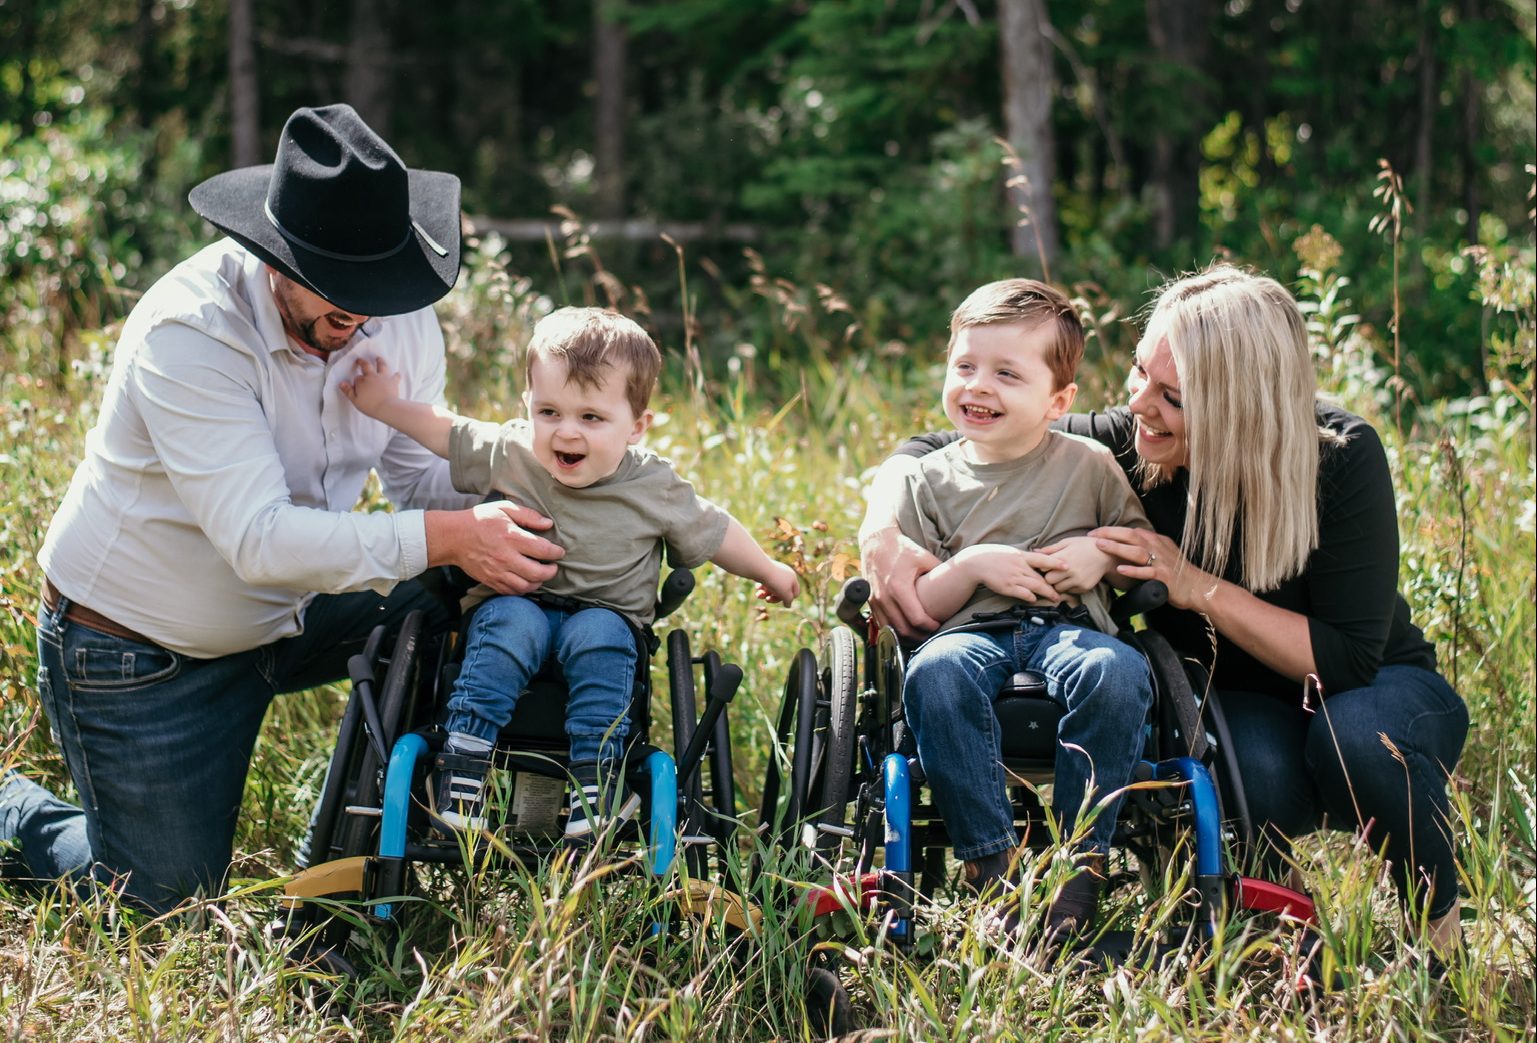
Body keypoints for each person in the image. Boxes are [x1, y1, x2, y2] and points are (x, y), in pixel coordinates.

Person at [0, 104, 566, 914]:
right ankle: (12, 809)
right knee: (162, 904)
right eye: (339, 295)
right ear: (275, 256)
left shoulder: (391, 307)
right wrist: (450, 536)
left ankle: (407, 822)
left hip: (295, 611)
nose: (363, 317)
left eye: (375, 291)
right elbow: (258, 540)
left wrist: (548, 500)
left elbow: (419, 481)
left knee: (480, 579)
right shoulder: (190, 330)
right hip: (142, 649)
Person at [862, 265, 1468, 961]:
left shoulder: (1338, 455)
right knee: (1235, 764)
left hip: (1370, 687)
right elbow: (949, 446)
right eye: (1136, 374)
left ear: (1233, 408)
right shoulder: (1131, 439)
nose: (1138, 405)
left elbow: (1343, 660)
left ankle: (1437, 917)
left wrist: (1189, 582)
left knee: (1355, 737)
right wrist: (879, 527)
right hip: (1238, 702)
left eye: (1170, 396)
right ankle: (1281, 915)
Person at [340, 307, 799, 843]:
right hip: (518, 603)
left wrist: (770, 568)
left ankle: (595, 781)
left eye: (591, 418)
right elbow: (448, 433)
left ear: (637, 426)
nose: (566, 432)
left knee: (600, 638)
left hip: (606, 616)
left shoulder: (654, 484)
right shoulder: (514, 450)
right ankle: (464, 760)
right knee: (510, 624)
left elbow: (716, 531)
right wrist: (385, 405)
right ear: (527, 407)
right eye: (549, 411)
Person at [882, 279, 1154, 939]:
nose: (978, 386)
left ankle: (1079, 864)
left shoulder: (1087, 465)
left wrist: (1096, 551)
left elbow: (1137, 557)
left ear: (1058, 401)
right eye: (964, 366)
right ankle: (990, 862)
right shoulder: (926, 478)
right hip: (968, 632)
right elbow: (915, 613)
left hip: (1070, 629)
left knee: (1116, 671)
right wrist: (971, 565)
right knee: (933, 672)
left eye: (1006, 373)